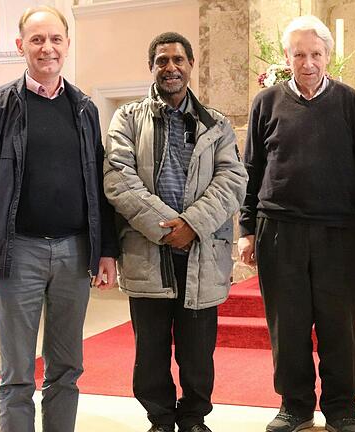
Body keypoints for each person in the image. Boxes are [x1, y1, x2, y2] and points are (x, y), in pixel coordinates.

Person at [0, 6, 118, 432]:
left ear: (66, 44)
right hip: (15, 254)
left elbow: (99, 186)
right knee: (18, 374)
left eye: (55, 39)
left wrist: (107, 251)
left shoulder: (83, 108)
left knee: (67, 369)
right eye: (37, 40)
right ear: (21, 45)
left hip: (73, 251)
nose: (48, 48)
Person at [238, 15, 355, 432]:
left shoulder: (348, 101)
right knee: (288, 323)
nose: (308, 62)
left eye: (316, 54)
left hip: (337, 231)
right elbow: (251, 169)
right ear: (287, 57)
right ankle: (294, 405)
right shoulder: (266, 102)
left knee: (339, 325)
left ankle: (342, 408)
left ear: (328, 56)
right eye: (299, 54)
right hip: (279, 230)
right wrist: (246, 229)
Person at [103, 32, 247, 432]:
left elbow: (233, 179)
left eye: (178, 60)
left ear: (190, 66)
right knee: (150, 349)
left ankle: (195, 417)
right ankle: (161, 419)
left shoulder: (215, 123)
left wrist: (193, 224)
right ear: (151, 67)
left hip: (201, 253)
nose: (171, 67)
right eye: (162, 60)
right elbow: (118, 178)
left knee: (198, 350)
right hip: (150, 250)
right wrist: (167, 228)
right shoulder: (128, 118)